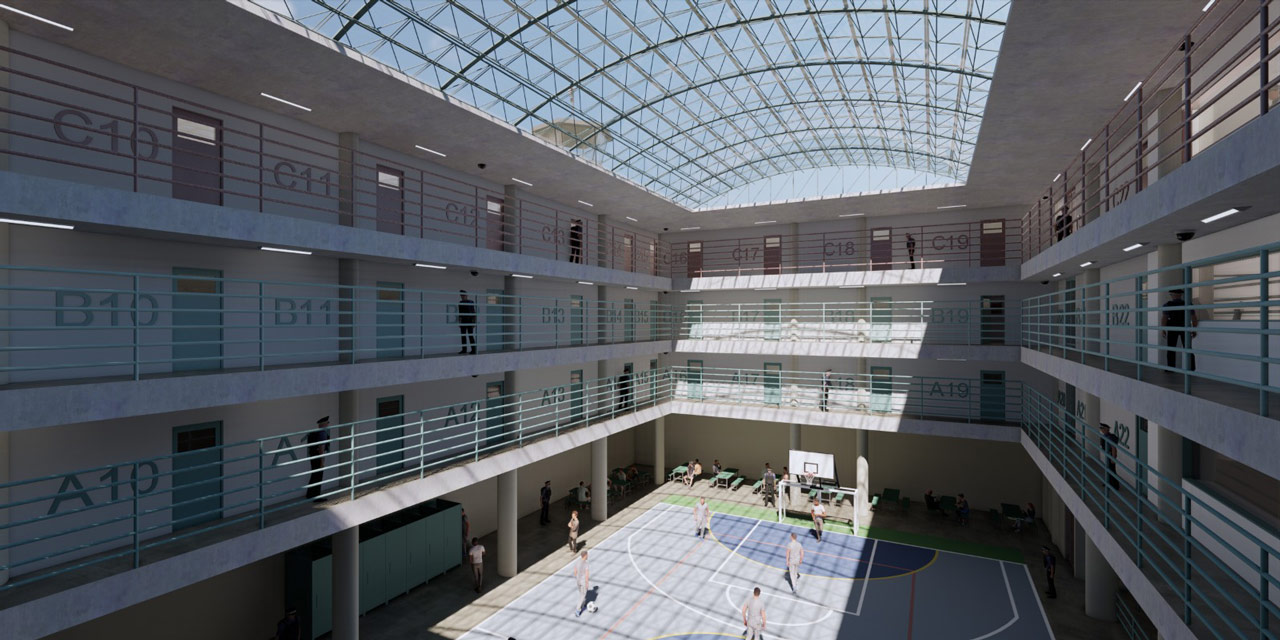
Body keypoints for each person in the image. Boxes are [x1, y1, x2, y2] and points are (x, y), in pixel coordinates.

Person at [1161, 288, 1198, 371]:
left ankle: (1171, 368)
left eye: (1172, 294)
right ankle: (1191, 368)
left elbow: (1164, 318)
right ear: (1181, 295)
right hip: (1184, 327)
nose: (1173, 296)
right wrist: (1194, 329)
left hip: (1172, 328)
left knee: (1171, 348)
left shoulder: (1167, 305)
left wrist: (1163, 329)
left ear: (1172, 295)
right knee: (1188, 348)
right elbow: (1193, 317)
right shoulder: (1188, 304)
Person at [305, 416, 330, 501]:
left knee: (314, 475)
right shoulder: (322, 433)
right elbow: (321, 448)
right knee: (318, 476)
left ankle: (309, 494)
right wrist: (322, 461)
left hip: (313, 456)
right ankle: (316, 496)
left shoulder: (315, 433)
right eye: (327, 423)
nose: (328, 424)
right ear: (324, 424)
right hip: (318, 456)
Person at [1100, 423, 1120, 489]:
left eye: (1102, 428)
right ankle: (1108, 482)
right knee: (1108, 469)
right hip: (1108, 454)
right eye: (1101, 428)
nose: (1101, 430)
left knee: (1112, 470)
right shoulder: (1105, 436)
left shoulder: (1109, 437)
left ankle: (1116, 485)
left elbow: (1113, 448)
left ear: (1106, 429)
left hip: (1111, 455)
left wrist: (1113, 458)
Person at [573, 550, 591, 617]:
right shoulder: (586, 564)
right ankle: (578, 610)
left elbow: (575, 571)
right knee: (582, 596)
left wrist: (578, 578)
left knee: (581, 594)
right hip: (583, 582)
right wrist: (587, 583)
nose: (588, 556)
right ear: (585, 555)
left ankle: (583, 604)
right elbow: (587, 574)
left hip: (578, 581)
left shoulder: (577, 562)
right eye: (587, 555)